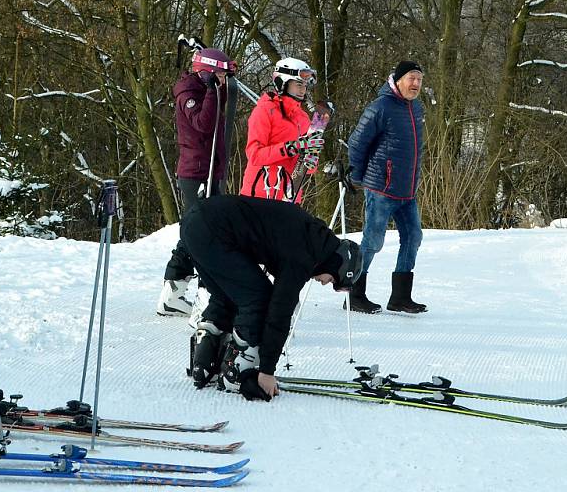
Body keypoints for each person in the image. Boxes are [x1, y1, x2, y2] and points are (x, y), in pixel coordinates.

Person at [180, 195, 361, 401]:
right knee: (259, 298)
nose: (325, 283)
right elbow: (279, 314)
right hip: (214, 231)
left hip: (195, 222)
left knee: (228, 294)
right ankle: (237, 372)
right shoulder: (305, 254)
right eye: (333, 281)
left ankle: (204, 363)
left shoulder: (312, 237)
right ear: (338, 264)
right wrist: (266, 372)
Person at [156, 47, 237, 317]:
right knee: (201, 233)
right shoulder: (188, 94)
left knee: (198, 231)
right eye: (220, 76)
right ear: (208, 74)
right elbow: (204, 123)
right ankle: (198, 293)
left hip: (210, 169)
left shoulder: (206, 90)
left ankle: (174, 291)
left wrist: (220, 87)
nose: (224, 81)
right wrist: (214, 90)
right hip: (196, 173)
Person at [346, 60, 427, 314]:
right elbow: (357, 142)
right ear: (398, 80)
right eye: (411, 78)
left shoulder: (416, 108)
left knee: (413, 237)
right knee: (373, 241)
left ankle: (400, 298)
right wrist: (355, 177)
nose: (415, 84)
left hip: (407, 190)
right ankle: (355, 294)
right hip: (381, 187)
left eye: (419, 80)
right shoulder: (380, 107)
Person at [239, 57, 329, 203]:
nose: (303, 90)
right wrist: (291, 147)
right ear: (282, 82)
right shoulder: (264, 111)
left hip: (290, 196)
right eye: (299, 84)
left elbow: (308, 168)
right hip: (259, 195)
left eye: (305, 85)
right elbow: (254, 155)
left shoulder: (303, 118)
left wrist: (312, 156)